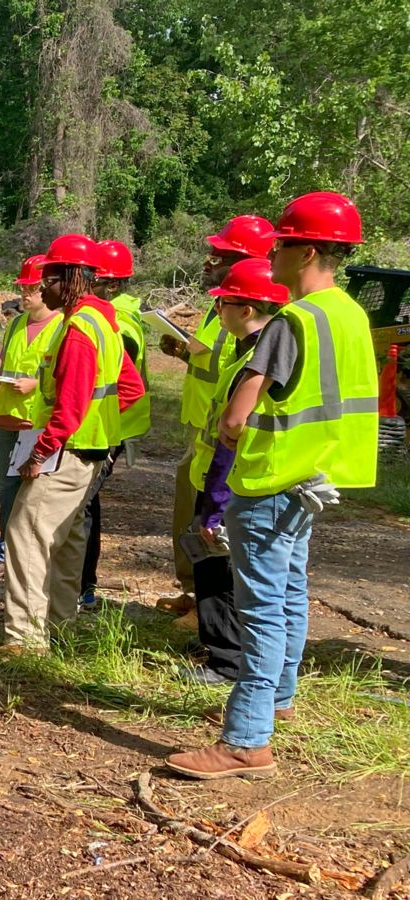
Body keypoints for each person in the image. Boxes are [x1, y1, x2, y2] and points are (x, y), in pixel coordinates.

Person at [167, 192, 379, 779]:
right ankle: (279, 699)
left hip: (266, 479)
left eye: (282, 243)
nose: (274, 252)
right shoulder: (351, 314)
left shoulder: (293, 320)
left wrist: (234, 440)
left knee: (259, 608)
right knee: (288, 594)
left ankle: (245, 739)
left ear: (306, 249)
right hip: (314, 478)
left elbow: (236, 417)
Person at [0, 234, 144, 656]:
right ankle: (61, 627)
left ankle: (24, 640)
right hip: (91, 450)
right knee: (65, 539)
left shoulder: (79, 328)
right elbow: (129, 388)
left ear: (73, 279)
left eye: (50, 279)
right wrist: (100, 422)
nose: (42, 288)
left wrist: (42, 450)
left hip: (68, 452)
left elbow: (72, 403)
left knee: (25, 534)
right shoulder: (103, 321)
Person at [179, 259, 290, 686]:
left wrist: (216, 504)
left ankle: (225, 662)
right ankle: (221, 652)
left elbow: (235, 428)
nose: (218, 309)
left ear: (245, 310)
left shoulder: (259, 358)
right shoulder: (250, 350)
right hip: (217, 477)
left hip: (230, 481)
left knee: (219, 571)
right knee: (217, 569)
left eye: (224, 302)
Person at [158, 216, 276, 614]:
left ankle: (207, 609)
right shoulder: (220, 305)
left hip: (228, 440)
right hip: (204, 430)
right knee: (191, 513)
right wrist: (179, 350)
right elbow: (211, 360)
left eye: (222, 255)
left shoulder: (254, 312)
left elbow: (239, 370)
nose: (210, 260)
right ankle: (194, 595)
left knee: (213, 523)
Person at [0, 255, 63, 580]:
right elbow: (3, 368)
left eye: (31, 288)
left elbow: (62, 376)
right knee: (7, 491)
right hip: (6, 420)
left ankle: (14, 556)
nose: (24, 294)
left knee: (31, 496)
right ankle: (7, 554)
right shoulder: (14, 325)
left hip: (34, 423)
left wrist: (34, 384)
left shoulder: (61, 326)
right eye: (22, 287)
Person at [77, 240, 151, 608]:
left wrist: (87, 416)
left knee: (82, 504)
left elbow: (125, 385)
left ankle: (82, 587)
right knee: (85, 503)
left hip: (109, 428)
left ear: (112, 285)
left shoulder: (118, 323)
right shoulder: (107, 314)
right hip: (105, 425)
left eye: (91, 278)